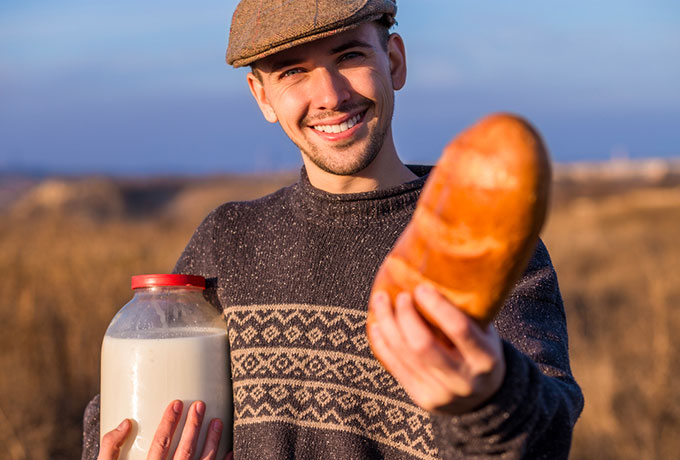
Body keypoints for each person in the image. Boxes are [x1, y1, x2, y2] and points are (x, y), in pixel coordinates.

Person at [83, 1, 584, 459]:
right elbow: (127, 407)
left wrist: (489, 397)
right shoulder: (229, 241)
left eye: (348, 55)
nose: (330, 95)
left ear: (394, 60)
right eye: (293, 71)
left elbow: (547, 432)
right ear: (262, 96)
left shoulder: (474, 236)